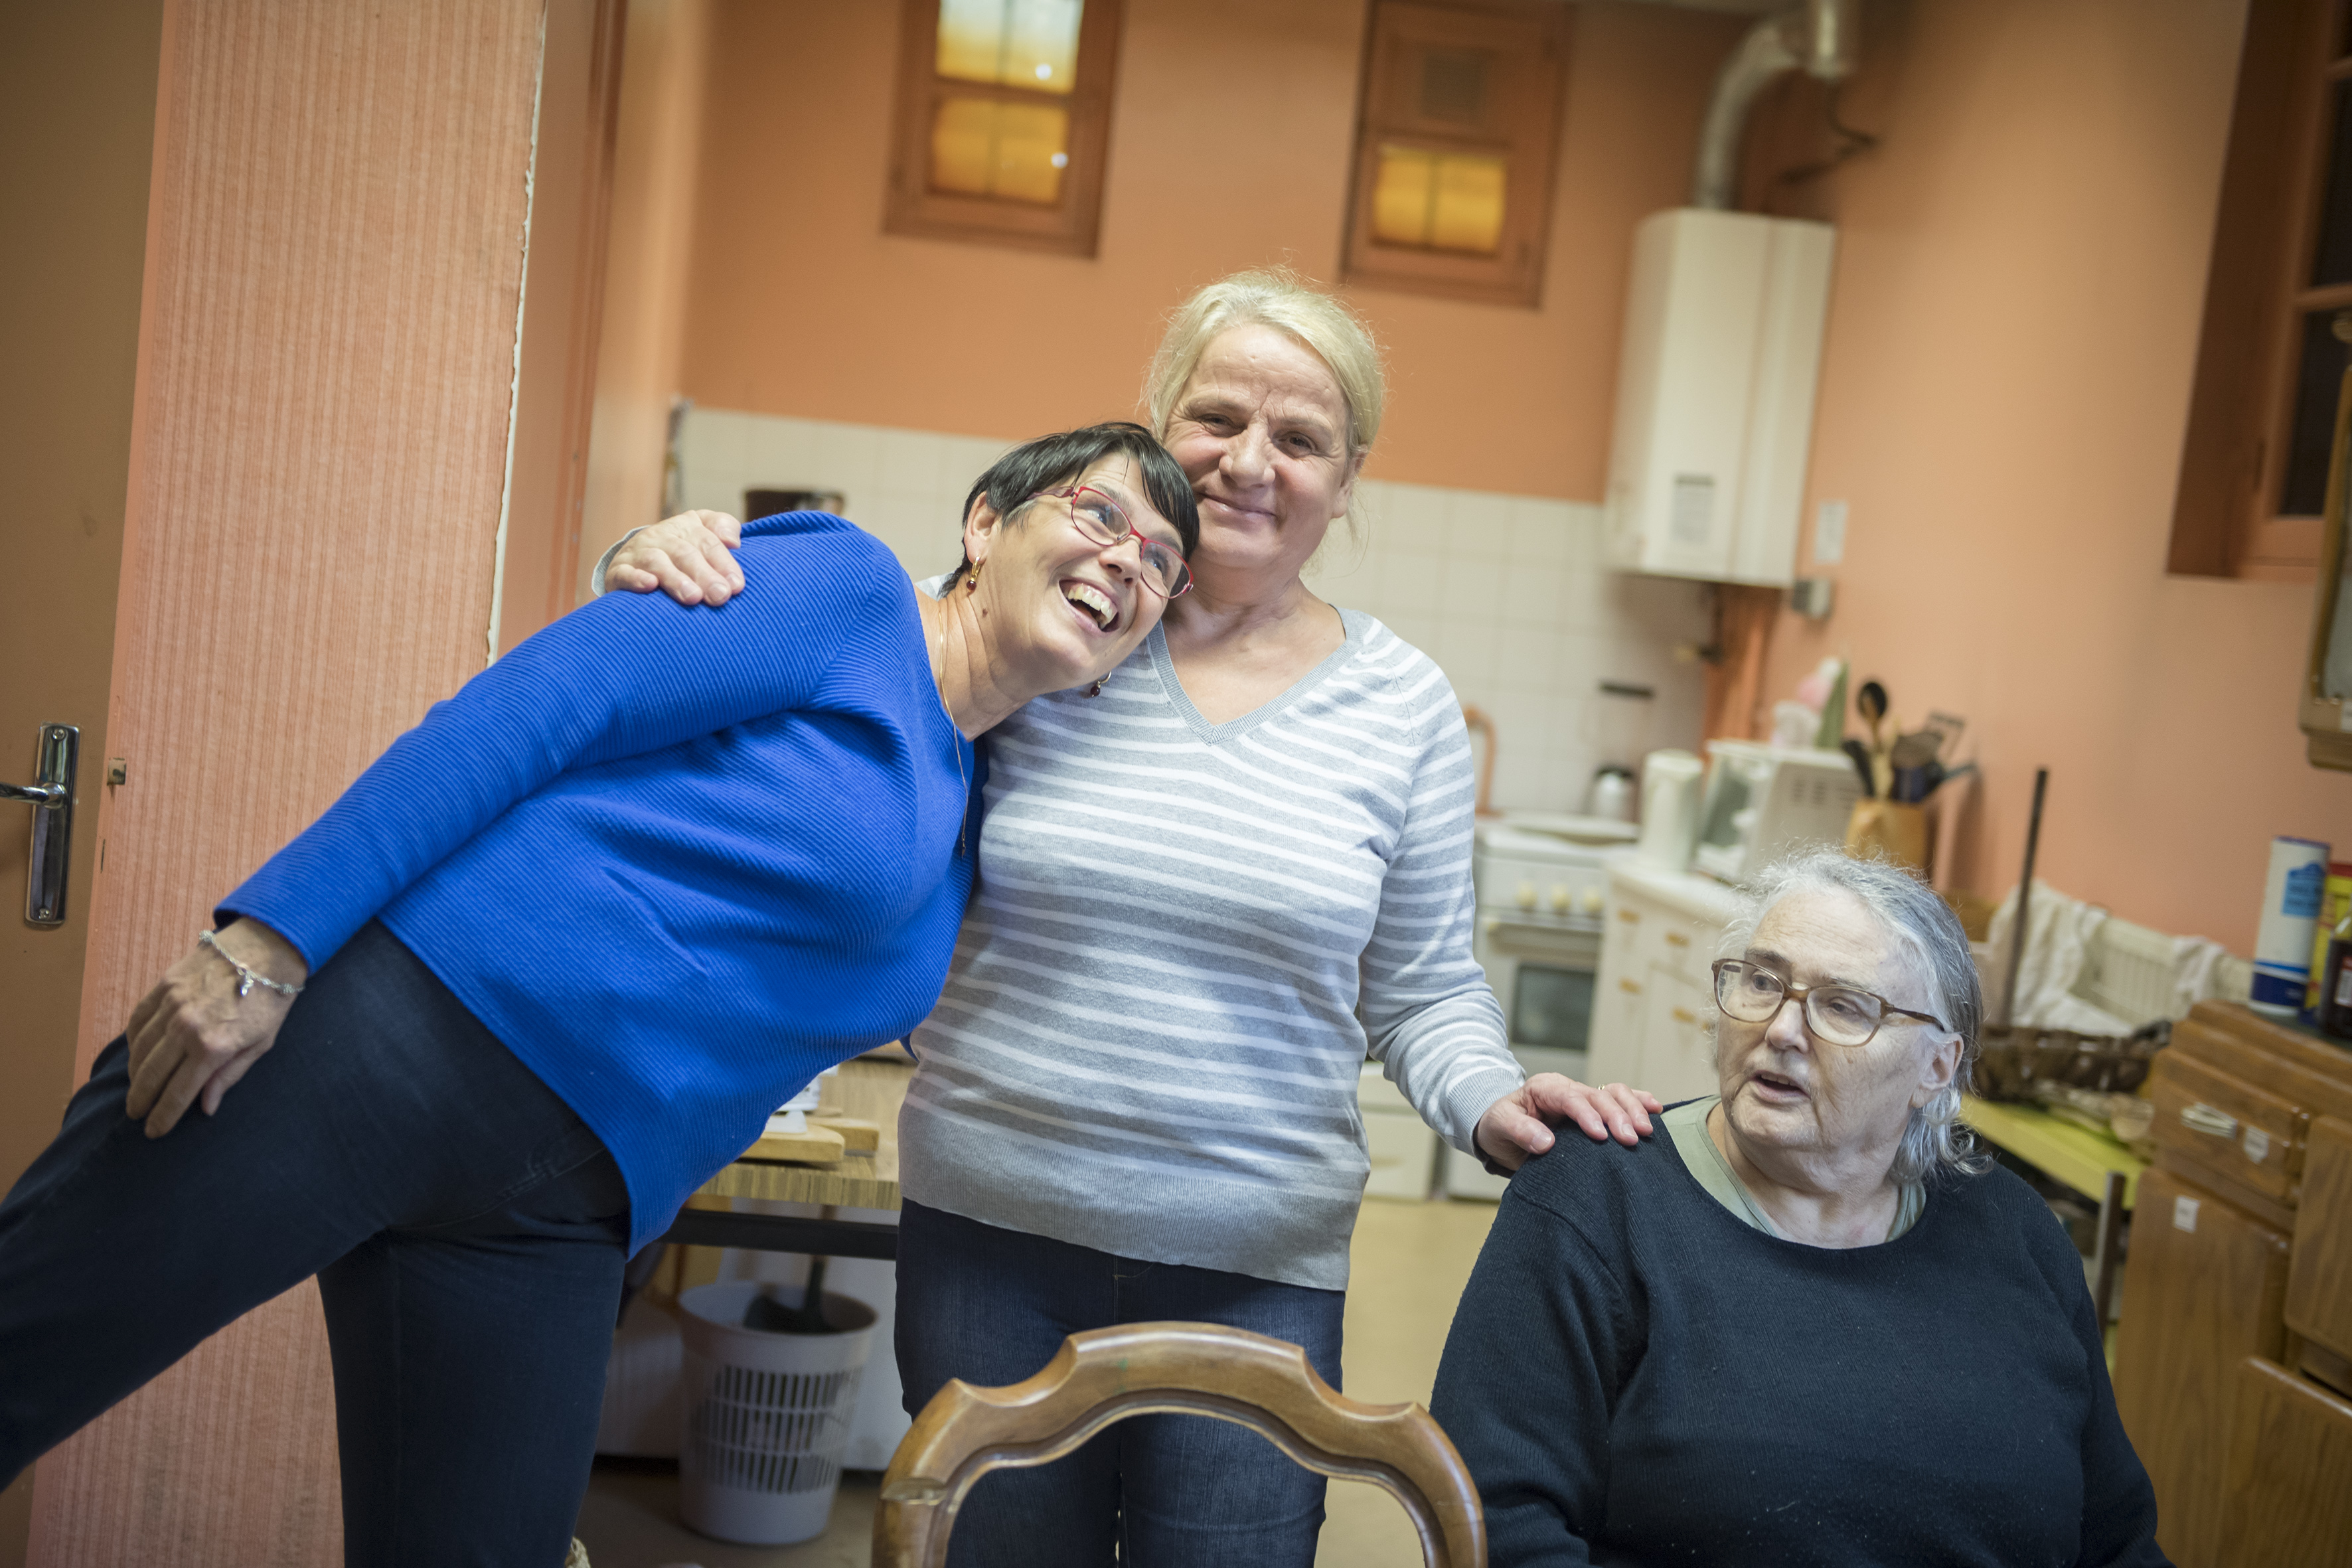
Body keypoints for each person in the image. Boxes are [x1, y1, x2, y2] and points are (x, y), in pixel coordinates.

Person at [601, 268, 1662, 1567]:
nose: (1249, 461)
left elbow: (1425, 989)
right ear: (1155, 423)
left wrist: (1488, 1100)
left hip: (1255, 1267)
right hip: (989, 1232)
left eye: (1300, 437)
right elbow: (816, 699)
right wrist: (656, 568)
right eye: (1216, 417)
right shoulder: (1053, 621)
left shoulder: (1405, 707)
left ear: (1349, 475)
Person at [0, 424, 1196, 1568]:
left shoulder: (969, 807)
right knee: (29, 1348)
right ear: (985, 523)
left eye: (1159, 561)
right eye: (1099, 512)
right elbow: (538, 706)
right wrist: (270, 935)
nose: (1123, 560)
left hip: (554, 1217)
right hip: (390, 1043)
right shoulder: (851, 593)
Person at [1429, 848, 2169, 1567]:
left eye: (1844, 1007)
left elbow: (2115, 1537)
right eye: (1761, 982)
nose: (1781, 1030)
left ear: (1937, 1066)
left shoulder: (2017, 1233)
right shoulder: (1595, 1199)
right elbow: (1498, 1517)